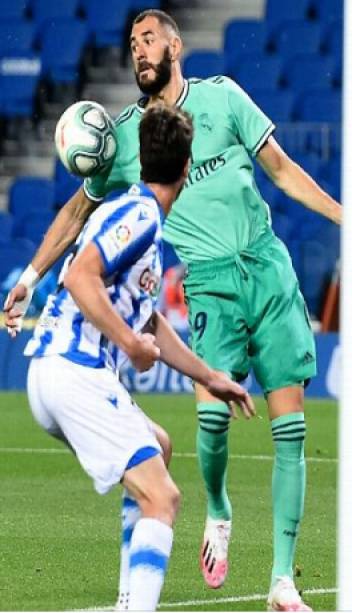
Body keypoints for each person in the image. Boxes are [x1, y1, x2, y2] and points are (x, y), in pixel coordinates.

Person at [4, 9, 352, 612]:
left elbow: (285, 173)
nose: (139, 50)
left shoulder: (225, 98)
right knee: (210, 423)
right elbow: (75, 216)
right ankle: (217, 511)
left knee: (288, 428)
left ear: (176, 44)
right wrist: (31, 274)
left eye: (149, 38)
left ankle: (282, 581)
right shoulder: (129, 142)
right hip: (209, 286)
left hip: (268, 268)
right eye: (132, 42)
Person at [21, 104, 255, 612]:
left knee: (159, 445)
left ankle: (130, 598)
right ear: (187, 168)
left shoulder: (134, 211)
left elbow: (149, 321)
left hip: (56, 372)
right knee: (164, 498)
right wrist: (127, 343)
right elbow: (82, 275)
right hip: (72, 370)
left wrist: (210, 376)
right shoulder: (141, 216)